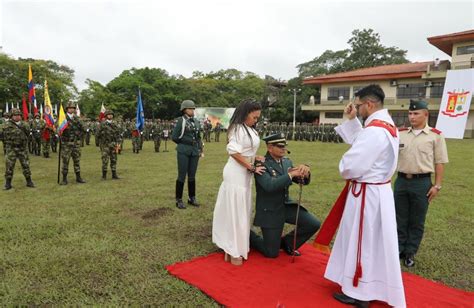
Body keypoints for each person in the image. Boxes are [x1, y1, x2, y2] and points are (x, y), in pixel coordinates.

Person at [323, 85, 405, 307]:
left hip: (367, 195)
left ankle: (359, 291)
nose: (357, 109)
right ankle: (368, 285)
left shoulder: (375, 131)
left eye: (358, 106)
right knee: (371, 240)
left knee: (363, 241)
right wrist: (351, 121)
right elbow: (363, 142)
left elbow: (352, 165)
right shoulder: (386, 125)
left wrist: (344, 165)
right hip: (378, 191)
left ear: (369, 104)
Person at [395, 99, 448, 268]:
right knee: (399, 217)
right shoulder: (401, 133)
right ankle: (398, 249)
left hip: (422, 183)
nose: (412, 116)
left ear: (426, 114)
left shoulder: (435, 135)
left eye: (416, 113)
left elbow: (440, 162)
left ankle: (410, 251)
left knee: (417, 220)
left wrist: (437, 185)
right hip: (401, 181)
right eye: (410, 113)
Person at [249, 133, 320, 259]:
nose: (284, 149)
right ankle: (247, 235)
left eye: (285, 146)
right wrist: (290, 175)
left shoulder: (286, 162)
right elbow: (269, 185)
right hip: (270, 210)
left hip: (285, 205)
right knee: (271, 253)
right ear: (270, 148)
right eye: (280, 146)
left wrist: (305, 172)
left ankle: (288, 243)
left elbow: (301, 180)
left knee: (313, 223)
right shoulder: (261, 164)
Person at [212, 99, 265, 266]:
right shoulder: (236, 128)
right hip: (236, 173)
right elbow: (233, 151)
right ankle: (232, 248)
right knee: (235, 211)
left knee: (242, 210)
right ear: (245, 113)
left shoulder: (249, 129)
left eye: (258, 118)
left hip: (244, 174)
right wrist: (251, 166)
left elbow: (246, 150)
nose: (256, 120)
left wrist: (254, 158)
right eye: (254, 117)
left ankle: (234, 247)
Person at [171, 100, 203, 209]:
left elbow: (198, 137)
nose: (192, 110)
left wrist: (200, 149)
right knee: (182, 175)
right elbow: (174, 137)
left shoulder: (196, 122)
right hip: (183, 150)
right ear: (184, 110)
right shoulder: (181, 121)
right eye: (190, 108)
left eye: (193, 108)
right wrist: (183, 144)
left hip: (194, 151)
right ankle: (179, 199)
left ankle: (192, 198)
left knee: (192, 175)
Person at [3, 108, 35, 190]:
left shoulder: (25, 125)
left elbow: (28, 134)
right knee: (9, 166)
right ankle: (8, 184)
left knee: (26, 165)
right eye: (15, 115)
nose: (17, 117)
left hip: (22, 148)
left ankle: (29, 181)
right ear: (11, 116)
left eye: (19, 115)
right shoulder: (6, 125)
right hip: (11, 149)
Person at [59, 102, 86, 185]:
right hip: (66, 144)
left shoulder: (77, 118)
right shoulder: (63, 118)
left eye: (73, 108)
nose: (72, 109)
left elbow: (84, 129)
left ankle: (78, 177)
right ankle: (64, 179)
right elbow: (58, 130)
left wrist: (79, 135)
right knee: (65, 162)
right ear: (67, 109)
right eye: (70, 108)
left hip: (75, 144)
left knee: (77, 161)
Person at [98, 110, 121, 180]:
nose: (110, 115)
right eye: (109, 114)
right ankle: (104, 175)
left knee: (114, 159)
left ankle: (114, 174)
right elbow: (97, 134)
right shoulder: (102, 124)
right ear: (106, 116)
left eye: (111, 114)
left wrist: (118, 143)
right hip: (105, 144)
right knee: (105, 160)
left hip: (113, 144)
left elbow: (118, 134)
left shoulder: (115, 124)